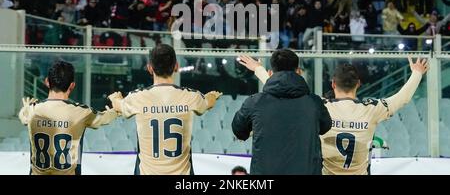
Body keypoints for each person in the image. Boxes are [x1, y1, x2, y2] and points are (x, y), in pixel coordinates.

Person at [241, 55, 429, 175]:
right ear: (359, 84)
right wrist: (417, 74)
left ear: (332, 84)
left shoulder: (319, 105)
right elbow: (402, 98)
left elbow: (285, 92)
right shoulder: (372, 109)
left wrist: (259, 69)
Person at [109, 44, 222, 175]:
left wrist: (115, 98)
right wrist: (212, 96)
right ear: (176, 66)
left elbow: (118, 106)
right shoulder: (191, 96)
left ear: (150, 68)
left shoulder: (136, 97)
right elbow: (209, 102)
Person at [233, 51, 332, 175]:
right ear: (299, 72)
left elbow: (239, 131)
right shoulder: (314, 103)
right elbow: (325, 127)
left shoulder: (254, 102)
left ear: (270, 73)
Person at [18, 61, 119, 175]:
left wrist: (26, 107)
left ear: (47, 82)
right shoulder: (81, 112)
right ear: (72, 85)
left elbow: (23, 116)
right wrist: (117, 108)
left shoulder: (32, 110)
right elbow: (105, 118)